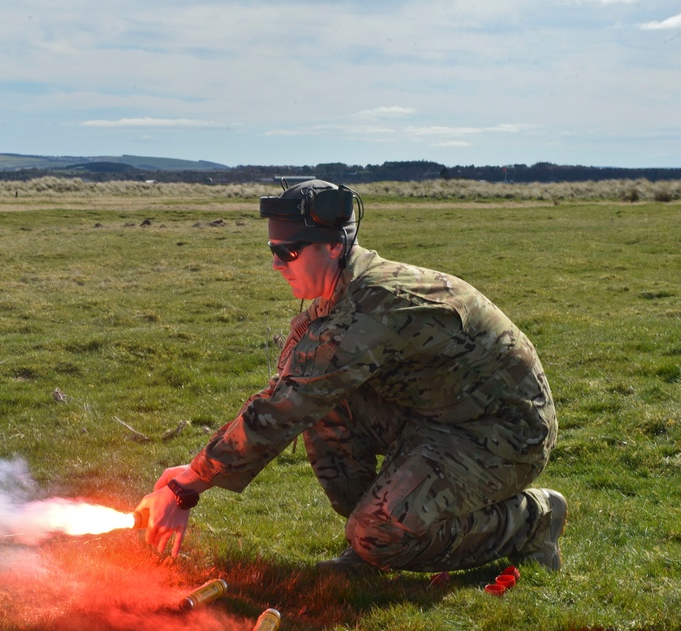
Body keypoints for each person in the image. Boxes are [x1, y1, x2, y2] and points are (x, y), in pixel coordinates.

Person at [137, 180, 565, 575]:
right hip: (440, 415)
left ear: (333, 247)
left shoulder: (369, 307)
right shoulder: (342, 295)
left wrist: (188, 484)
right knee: (327, 411)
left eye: (288, 251)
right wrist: (195, 472)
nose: (275, 263)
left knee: (376, 533)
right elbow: (290, 392)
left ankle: (530, 520)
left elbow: (285, 410)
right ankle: (376, 539)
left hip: (505, 433)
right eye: (273, 248)